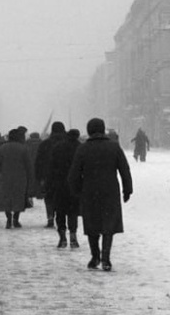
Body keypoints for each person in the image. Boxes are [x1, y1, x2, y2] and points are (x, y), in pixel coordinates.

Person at [66, 117, 133, 272]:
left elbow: (74, 173)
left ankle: (95, 256)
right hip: (110, 191)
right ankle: (106, 258)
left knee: (92, 225)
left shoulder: (83, 149)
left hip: (89, 191)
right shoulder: (114, 147)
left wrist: (76, 190)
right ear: (103, 130)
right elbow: (124, 170)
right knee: (108, 225)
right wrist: (127, 189)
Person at [47, 128, 82, 249]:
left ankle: (62, 237)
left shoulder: (58, 147)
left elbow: (51, 167)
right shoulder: (80, 147)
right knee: (73, 212)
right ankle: (73, 235)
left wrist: (49, 184)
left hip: (59, 184)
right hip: (74, 185)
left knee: (60, 212)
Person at [35, 122, 69, 243]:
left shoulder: (45, 144)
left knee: (49, 197)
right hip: (66, 175)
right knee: (64, 198)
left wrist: (39, 176)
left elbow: (38, 161)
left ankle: (50, 216)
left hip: (48, 175)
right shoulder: (69, 144)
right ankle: (65, 219)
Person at [0, 129, 34, 228]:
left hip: (6, 177)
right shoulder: (23, 148)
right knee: (18, 199)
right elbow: (28, 165)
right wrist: (30, 177)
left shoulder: (2, 148)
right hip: (20, 177)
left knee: (6, 198)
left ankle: (8, 218)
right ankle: (16, 219)